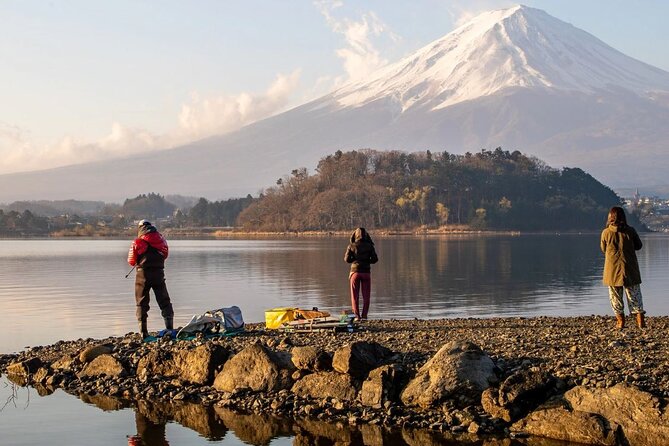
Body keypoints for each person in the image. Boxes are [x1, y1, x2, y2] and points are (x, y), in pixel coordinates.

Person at [600, 206, 645, 329]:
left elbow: (603, 249)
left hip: (612, 270)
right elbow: (639, 246)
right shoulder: (630, 231)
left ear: (610, 218)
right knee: (635, 295)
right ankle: (640, 322)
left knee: (615, 297)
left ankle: (620, 322)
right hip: (630, 268)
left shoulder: (605, 233)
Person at [127, 220, 174, 338]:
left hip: (142, 275)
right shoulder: (162, 240)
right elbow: (165, 255)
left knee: (141, 303)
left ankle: (144, 333)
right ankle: (170, 329)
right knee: (164, 301)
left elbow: (131, 261)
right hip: (159, 273)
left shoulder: (137, 242)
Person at [344, 227, 378, 320]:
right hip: (366, 272)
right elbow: (375, 259)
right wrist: (367, 261)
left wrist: (354, 260)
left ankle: (357, 316)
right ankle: (364, 315)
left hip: (355, 272)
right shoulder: (370, 246)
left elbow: (347, 259)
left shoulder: (351, 245)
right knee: (366, 295)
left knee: (354, 296)